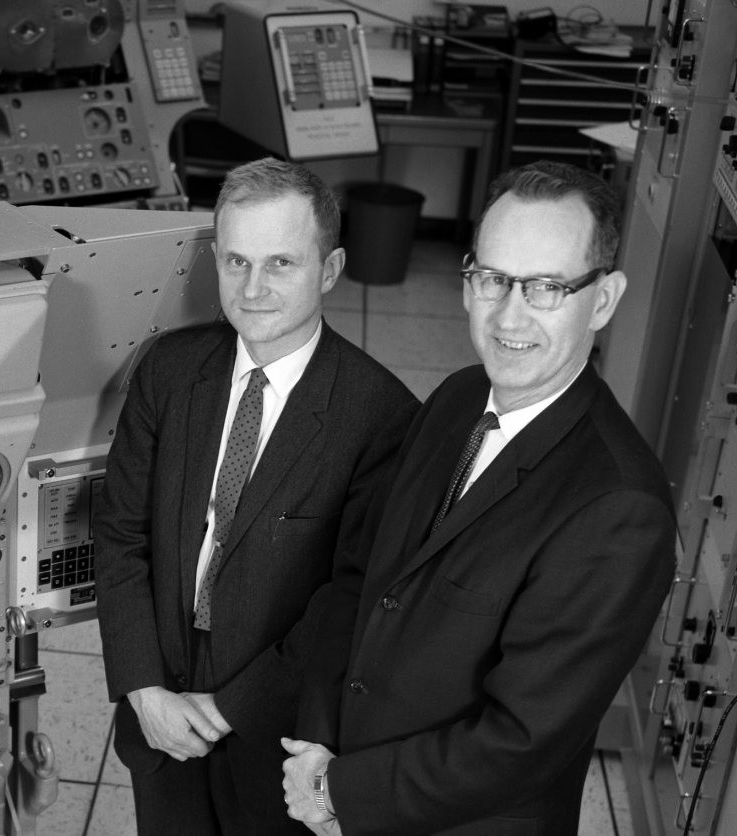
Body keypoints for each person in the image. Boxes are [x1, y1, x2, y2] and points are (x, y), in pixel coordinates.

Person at [281, 161, 676, 836]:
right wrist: (316, 741)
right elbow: (360, 576)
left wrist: (341, 790)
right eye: (492, 278)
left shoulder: (618, 509)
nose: (509, 314)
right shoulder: (457, 397)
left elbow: (521, 740)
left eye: (548, 287)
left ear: (603, 301)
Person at [94, 158, 419, 835]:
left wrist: (226, 709)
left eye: (281, 264)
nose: (253, 287)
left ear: (328, 271)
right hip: (161, 697)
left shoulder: (381, 416)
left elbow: (351, 597)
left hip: (277, 725)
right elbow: (122, 531)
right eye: (236, 262)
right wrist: (144, 687)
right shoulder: (169, 370)